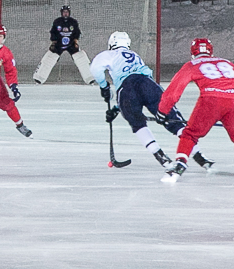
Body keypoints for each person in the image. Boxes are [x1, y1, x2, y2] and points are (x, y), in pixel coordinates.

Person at [89, 31, 210, 170]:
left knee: (137, 123)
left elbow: (95, 69)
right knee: (172, 118)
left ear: (111, 44)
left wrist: (104, 87)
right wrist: (117, 108)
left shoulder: (109, 54)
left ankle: (160, 156)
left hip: (126, 88)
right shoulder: (135, 55)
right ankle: (198, 155)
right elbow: (138, 82)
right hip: (148, 84)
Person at [158, 38, 234, 179]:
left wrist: (162, 111)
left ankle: (179, 165)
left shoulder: (192, 64)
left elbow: (174, 90)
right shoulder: (227, 63)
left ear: (193, 52)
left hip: (211, 99)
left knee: (190, 135)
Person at [33, 5, 95, 84]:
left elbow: (77, 32)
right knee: (49, 58)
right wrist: (54, 42)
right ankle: (39, 78)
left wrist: (76, 41)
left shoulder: (73, 22)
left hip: (71, 43)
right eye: (64, 12)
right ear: (61, 13)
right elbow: (53, 32)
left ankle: (90, 78)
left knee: (81, 58)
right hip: (59, 44)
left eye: (67, 12)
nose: (65, 14)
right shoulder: (57, 21)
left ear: (69, 13)